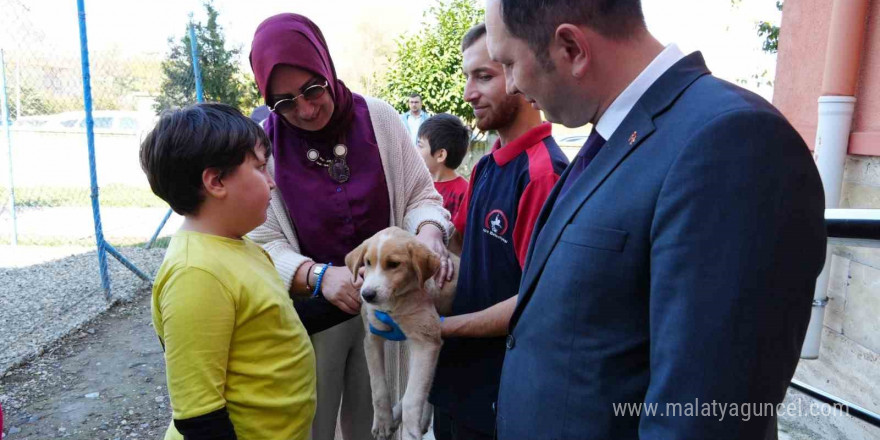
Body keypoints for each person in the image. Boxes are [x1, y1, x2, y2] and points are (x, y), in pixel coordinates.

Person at [484, 1, 827, 439]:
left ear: (571, 47)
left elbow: (702, 417)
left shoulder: (732, 142)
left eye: (510, 63)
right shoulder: (617, 135)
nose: (511, 85)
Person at [247, 14, 453, 440]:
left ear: (326, 67)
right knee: (312, 424)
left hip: (388, 303)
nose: (304, 109)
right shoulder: (263, 147)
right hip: (314, 315)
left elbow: (421, 196)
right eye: (284, 102)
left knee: (376, 421)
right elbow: (262, 240)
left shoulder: (378, 119)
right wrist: (315, 276)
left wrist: (430, 231)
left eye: (312, 89)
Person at [140, 103, 317, 440]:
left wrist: (349, 296)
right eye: (261, 168)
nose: (273, 183)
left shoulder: (242, 247)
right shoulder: (196, 273)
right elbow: (199, 417)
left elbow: (269, 325)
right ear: (216, 181)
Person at [429, 22, 569, 440]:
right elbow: (463, 244)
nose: (469, 92)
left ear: (521, 71)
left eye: (485, 76)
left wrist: (437, 328)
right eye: (468, 77)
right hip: (456, 382)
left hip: (499, 394)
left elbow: (535, 303)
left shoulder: (543, 173)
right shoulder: (489, 162)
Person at [417, 113, 470, 220]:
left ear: (440, 155)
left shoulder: (464, 193)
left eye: (420, 145)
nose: (415, 150)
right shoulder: (418, 184)